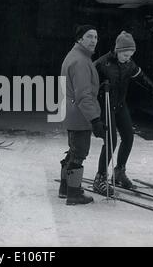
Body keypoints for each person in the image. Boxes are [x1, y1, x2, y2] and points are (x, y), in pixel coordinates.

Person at [92, 31, 153, 194]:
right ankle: (100, 177)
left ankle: (119, 171)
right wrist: (100, 89)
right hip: (105, 105)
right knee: (111, 141)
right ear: (117, 50)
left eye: (130, 55)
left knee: (129, 137)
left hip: (120, 105)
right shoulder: (102, 63)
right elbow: (89, 83)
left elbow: (139, 75)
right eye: (125, 54)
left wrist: (152, 87)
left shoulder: (129, 64)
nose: (127, 58)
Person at [58, 25, 105, 205]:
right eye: (89, 36)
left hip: (72, 112)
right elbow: (84, 95)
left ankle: (65, 188)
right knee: (79, 153)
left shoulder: (76, 56)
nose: (93, 40)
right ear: (80, 39)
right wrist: (95, 120)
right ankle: (74, 193)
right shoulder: (81, 62)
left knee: (73, 150)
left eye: (96, 37)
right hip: (80, 115)